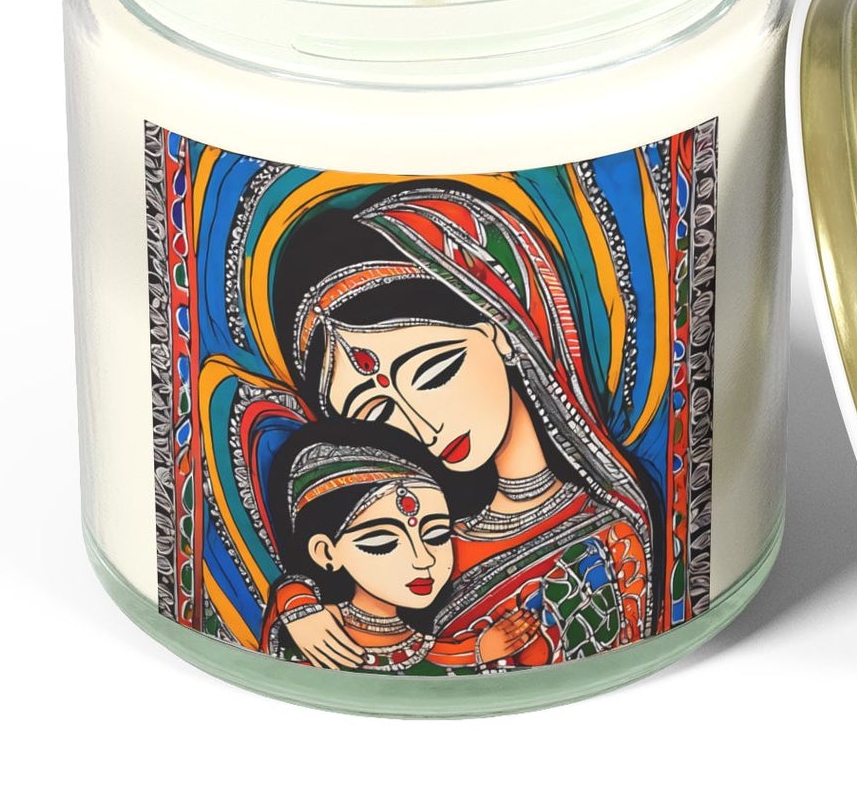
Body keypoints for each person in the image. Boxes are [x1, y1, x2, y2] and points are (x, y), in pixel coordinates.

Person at [265, 183, 652, 669]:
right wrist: (296, 600)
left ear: (499, 332)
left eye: (434, 374)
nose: (424, 425)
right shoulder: (422, 541)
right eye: (378, 414)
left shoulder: (608, 536)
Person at [260, 420, 536, 673]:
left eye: (436, 536)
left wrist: (471, 652)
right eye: (383, 543)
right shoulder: (311, 630)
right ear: (326, 553)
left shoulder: (443, 647)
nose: (423, 559)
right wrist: (295, 601)